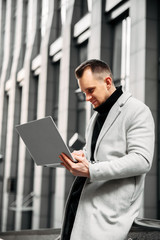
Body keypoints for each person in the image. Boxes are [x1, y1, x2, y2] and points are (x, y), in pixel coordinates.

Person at [58, 59, 155, 240]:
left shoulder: (137, 111)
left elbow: (142, 160)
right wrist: (82, 155)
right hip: (80, 208)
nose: (87, 98)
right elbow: (96, 153)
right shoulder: (96, 117)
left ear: (108, 82)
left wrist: (91, 169)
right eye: (84, 92)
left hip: (107, 217)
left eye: (90, 90)